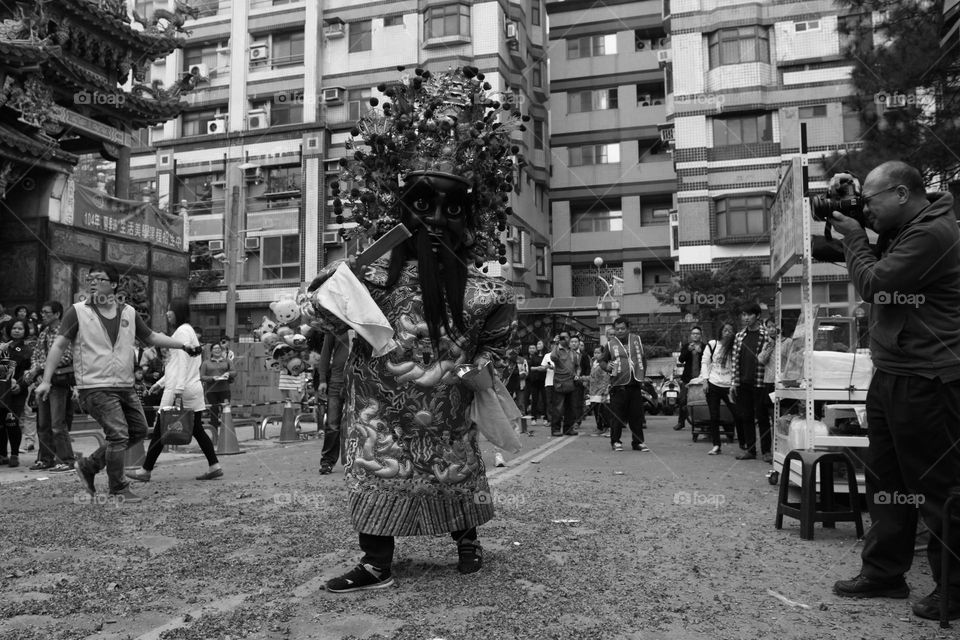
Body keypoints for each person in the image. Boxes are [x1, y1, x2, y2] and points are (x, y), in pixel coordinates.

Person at [305, 67, 520, 594]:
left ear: (469, 218)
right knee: (378, 468)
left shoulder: (486, 291)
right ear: (399, 210)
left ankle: (467, 542)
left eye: (452, 208)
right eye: (423, 205)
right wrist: (327, 291)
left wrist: (472, 372)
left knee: (456, 468)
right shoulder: (369, 277)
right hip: (379, 409)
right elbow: (325, 320)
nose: (437, 219)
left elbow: (497, 346)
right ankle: (376, 562)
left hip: (448, 406)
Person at [828, 161, 960, 621]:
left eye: (870, 200)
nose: (865, 210)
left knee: (937, 487)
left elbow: (877, 285)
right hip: (892, 372)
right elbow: (845, 247)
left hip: (928, 377)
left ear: (902, 194)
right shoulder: (902, 229)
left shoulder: (933, 234)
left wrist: (854, 237)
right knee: (887, 481)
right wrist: (846, 211)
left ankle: (955, 589)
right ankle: (884, 572)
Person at [34, 265, 203, 503]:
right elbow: (59, 345)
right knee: (118, 434)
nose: (93, 282)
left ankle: (89, 466)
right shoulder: (78, 312)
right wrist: (46, 380)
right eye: (90, 279)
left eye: (99, 279)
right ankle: (118, 487)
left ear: (113, 285)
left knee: (138, 431)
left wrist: (183, 346)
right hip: (94, 386)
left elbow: (151, 337)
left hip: (124, 385)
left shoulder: (128, 312)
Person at [127, 298, 222, 484]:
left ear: (178, 311)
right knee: (197, 429)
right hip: (191, 387)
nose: (167, 313)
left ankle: (145, 470)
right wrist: (160, 383)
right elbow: (177, 365)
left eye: (170, 310)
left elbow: (183, 362)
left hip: (181, 389)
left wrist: (177, 390)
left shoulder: (182, 331)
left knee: (160, 429)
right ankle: (214, 466)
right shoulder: (187, 330)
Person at [23, 301, 76, 472]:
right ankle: (45, 459)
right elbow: (35, 355)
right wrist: (36, 372)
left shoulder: (64, 332)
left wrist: (39, 368)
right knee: (43, 424)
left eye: (47, 312)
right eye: (42, 312)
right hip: (42, 381)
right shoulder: (43, 333)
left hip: (58, 382)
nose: (43, 315)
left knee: (57, 424)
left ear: (57, 314)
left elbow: (65, 357)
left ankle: (66, 460)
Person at [730, 302, 771, 462]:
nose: (746, 318)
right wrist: (734, 382)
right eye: (744, 315)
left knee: (762, 417)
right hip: (743, 382)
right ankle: (750, 450)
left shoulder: (766, 335)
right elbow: (735, 360)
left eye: (749, 314)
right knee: (746, 416)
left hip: (760, 381)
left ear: (758, 316)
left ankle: (766, 451)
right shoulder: (740, 336)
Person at [601, 317, 649, 452]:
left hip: (635, 384)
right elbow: (602, 361)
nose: (620, 331)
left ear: (628, 329)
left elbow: (643, 359)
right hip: (618, 386)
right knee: (617, 416)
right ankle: (615, 441)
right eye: (617, 329)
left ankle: (638, 442)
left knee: (636, 416)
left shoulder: (636, 340)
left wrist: (643, 376)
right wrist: (607, 367)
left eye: (622, 328)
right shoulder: (610, 344)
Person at [693, 322, 738, 456]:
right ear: (721, 332)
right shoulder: (712, 345)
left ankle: (744, 444)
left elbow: (737, 366)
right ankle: (716, 445)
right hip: (713, 384)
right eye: (725, 330)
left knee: (737, 414)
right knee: (714, 416)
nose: (727, 333)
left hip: (729, 386)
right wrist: (705, 381)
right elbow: (705, 362)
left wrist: (734, 383)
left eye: (730, 330)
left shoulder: (735, 347)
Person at [316, 328, 350, 475]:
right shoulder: (334, 326)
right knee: (332, 424)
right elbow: (326, 354)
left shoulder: (362, 323)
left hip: (359, 380)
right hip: (336, 380)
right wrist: (322, 379)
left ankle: (354, 461)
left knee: (357, 424)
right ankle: (327, 461)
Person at [0, 319, 33, 467]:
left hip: (17, 392)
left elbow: (29, 372)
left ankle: (14, 454)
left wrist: (21, 385)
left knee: (12, 422)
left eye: (20, 328)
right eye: (14, 328)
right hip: (2, 391)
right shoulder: (3, 347)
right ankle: (2, 454)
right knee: (0, 424)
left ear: (25, 330)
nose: (17, 331)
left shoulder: (28, 350)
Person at [547, 332, 578, 437]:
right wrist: (556, 343)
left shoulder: (573, 352)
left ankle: (568, 429)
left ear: (569, 338)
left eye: (566, 337)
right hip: (559, 382)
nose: (564, 339)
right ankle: (555, 429)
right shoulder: (557, 350)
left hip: (571, 382)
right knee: (558, 408)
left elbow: (577, 366)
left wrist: (577, 374)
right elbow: (553, 357)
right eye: (562, 337)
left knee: (571, 408)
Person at [199, 342, 235, 433]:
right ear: (211, 351)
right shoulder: (206, 363)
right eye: (215, 348)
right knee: (214, 412)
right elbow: (202, 377)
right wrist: (212, 378)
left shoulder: (227, 361)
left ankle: (227, 434)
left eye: (219, 348)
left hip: (225, 390)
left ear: (221, 350)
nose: (217, 350)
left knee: (226, 411)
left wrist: (228, 374)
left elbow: (234, 372)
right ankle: (214, 434)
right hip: (211, 391)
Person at [675, 326, 704, 431]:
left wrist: (700, 352)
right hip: (688, 378)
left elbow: (709, 361)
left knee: (701, 401)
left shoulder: (705, 347)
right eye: (693, 333)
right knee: (683, 400)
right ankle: (681, 422)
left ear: (701, 335)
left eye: (697, 333)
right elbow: (681, 359)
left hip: (701, 378)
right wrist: (688, 350)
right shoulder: (686, 346)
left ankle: (702, 422)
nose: (695, 335)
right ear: (691, 335)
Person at [568, 335, 591, 430]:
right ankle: (569, 420)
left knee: (578, 402)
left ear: (579, 343)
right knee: (569, 402)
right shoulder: (566, 354)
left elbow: (587, 368)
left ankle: (577, 421)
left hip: (579, 381)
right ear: (569, 343)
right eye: (572, 342)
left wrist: (585, 380)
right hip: (568, 381)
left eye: (576, 342)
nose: (574, 343)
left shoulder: (584, 355)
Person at [587, 346, 611, 434]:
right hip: (593, 391)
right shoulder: (594, 363)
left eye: (598, 353)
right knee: (596, 411)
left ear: (603, 354)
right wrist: (582, 378)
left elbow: (606, 378)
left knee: (603, 411)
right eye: (595, 353)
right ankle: (600, 427)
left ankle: (607, 427)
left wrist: (604, 390)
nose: (596, 355)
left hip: (601, 391)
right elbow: (592, 377)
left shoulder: (604, 364)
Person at [525, 342, 546, 423]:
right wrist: (538, 368)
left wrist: (543, 368)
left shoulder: (546, 356)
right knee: (534, 400)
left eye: (540, 344)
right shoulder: (534, 356)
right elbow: (531, 368)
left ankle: (546, 417)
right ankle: (534, 418)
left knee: (545, 399)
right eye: (537, 344)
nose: (538, 345)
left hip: (544, 380)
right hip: (535, 380)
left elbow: (547, 366)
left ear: (543, 345)